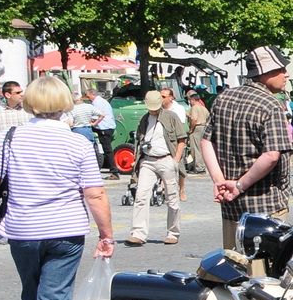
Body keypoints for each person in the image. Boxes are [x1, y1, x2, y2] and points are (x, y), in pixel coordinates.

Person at [0, 76, 114, 300]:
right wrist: (106, 235)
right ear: (64, 103)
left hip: (23, 230)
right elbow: (94, 194)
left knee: (31, 293)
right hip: (65, 231)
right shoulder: (78, 143)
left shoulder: (8, 138)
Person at [201, 47, 293, 250]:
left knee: (234, 269)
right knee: (262, 276)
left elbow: (206, 141)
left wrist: (219, 181)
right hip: (265, 207)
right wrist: (240, 185)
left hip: (230, 206)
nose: (286, 74)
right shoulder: (270, 105)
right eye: (281, 69)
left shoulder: (224, 98)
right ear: (266, 73)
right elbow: (271, 155)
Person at [125, 89, 187, 247]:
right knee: (140, 196)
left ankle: (173, 233)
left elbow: (181, 139)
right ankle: (138, 233)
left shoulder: (171, 117)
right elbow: (140, 140)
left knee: (172, 198)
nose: (152, 110)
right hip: (148, 160)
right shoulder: (144, 119)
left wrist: (175, 160)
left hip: (166, 159)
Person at [0, 80, 31, 146]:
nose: (21, 95)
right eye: (18, 93)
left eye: (21, 92)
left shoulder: (28, 110)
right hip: (4, 151)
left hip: (24, 149)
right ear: (8, 95)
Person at [90, 87, 116, 168]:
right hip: (109, 126)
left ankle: (114, 170)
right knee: (107, 149)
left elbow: (94, 116)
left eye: (88, 96)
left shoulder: (96, 103)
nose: (88, 98)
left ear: (92, 95)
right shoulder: (102, 101)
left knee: (107, 150)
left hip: (104, 128)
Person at [185, 91, 210, 174]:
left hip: (197, 128)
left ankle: (198, 168)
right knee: (201, 148)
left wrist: (191, 129)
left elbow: (194, 119)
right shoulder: (203, 108)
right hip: (203, 127)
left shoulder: (195, 108)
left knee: (195, 148)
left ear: (192, 100)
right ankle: (200, 165)